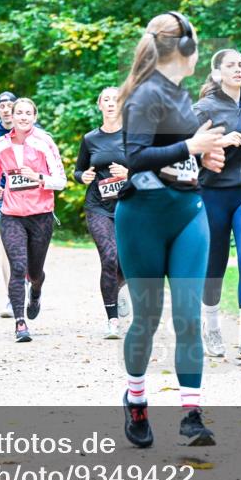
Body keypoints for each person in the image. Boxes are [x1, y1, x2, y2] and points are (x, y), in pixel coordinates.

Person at [115, 11, 230, 448]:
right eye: (196, 46)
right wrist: (192, 145)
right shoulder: (144, 95)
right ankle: (137, 400)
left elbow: (176, 152)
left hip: (188, 211)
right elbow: (135, 156)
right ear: (183, 49)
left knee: (187, 316)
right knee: (146, 317)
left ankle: (191, 415)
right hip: (142, 216)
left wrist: (202, 156)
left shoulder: (181, 94)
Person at [193, 49, 241, 361]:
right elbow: (185, 152)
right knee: (215, 265)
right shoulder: (203, 108)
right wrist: (216, 143)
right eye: (231, 65)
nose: (238, 69)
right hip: (213, 194)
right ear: (217, 73)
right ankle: (211, 326)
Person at [0, 98, 66, 342]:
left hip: (41, 214)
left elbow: (61, 180)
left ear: (34, 116)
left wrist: (39, 177)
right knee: (18, 268)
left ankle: (37, 290)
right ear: (11, 116)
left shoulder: (44, 142)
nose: (22, 117)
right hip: (12, 214)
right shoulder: (1, 144)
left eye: (27, 113)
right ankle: (20, 323)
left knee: (34, 272)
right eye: (18, 113)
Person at [73, 87, 131, 340]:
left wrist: (129, 174)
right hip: (98, 206)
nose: (111, 103)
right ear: (99, 105)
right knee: (109, 258)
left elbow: (149, 170)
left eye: (116, 100)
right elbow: (78, 171)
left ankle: (121, 291)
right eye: (106, 100)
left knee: (127, 262)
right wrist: (82, 176)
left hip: (130, 206)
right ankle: (113, 320)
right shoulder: (90, 139)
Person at [0, 91, 24, 318]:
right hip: (2, 194)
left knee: (29, 247)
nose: (7, 109)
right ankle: (12, 297)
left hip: (28, 195)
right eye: (3, 106)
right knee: (9, 245)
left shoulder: (28, 129)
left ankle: (30, 284)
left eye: (11, 105)